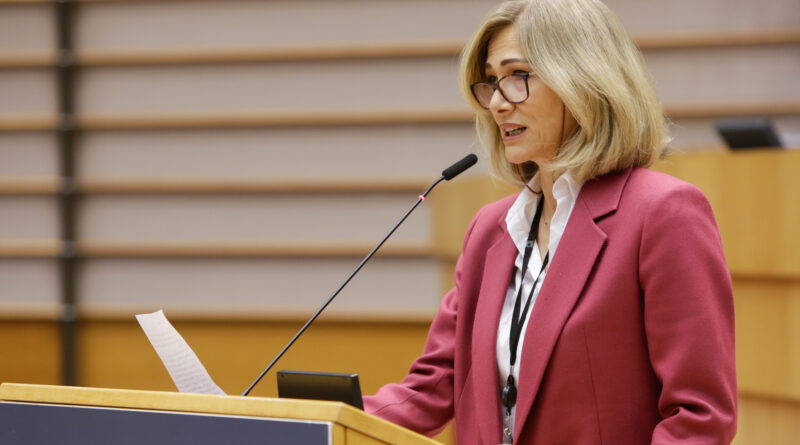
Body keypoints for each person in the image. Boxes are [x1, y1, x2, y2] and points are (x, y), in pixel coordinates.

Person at [363, 0, 737, 444]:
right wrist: (314, 418)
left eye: (517, 77)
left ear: (583, 79)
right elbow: (432, 386)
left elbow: (699, 416)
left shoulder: (663, 213)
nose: (498, 103)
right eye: (491, 83)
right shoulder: (491, 229)